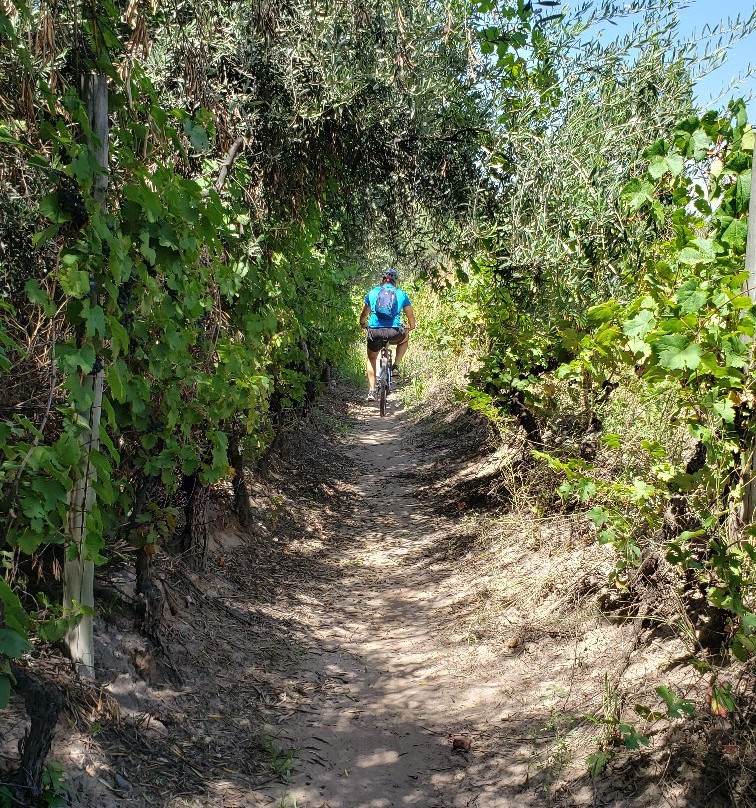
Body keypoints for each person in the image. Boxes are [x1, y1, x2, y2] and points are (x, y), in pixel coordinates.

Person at [359, 268, 416, 401]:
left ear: (382, 280)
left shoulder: (372, 292)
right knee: (405, 338)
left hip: (375, 332)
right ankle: (395, 366)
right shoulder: (401, 294)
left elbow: (364, 314)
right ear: (395, 281)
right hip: (394, 332)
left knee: (371, 358)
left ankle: (372, 391)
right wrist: (411, 327)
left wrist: (363, 323)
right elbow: (410, 316)